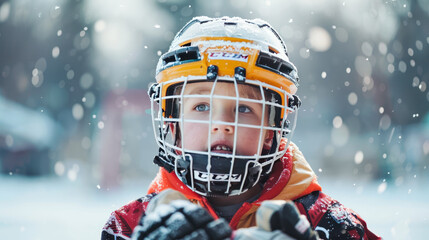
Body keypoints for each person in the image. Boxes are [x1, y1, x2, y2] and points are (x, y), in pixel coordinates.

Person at [101, 16, 380, 240]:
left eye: (244, 109)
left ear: (271, 128)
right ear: (172, 122)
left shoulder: (329, 225)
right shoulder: (130, 226)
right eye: (201, 107)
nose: (221, 124)